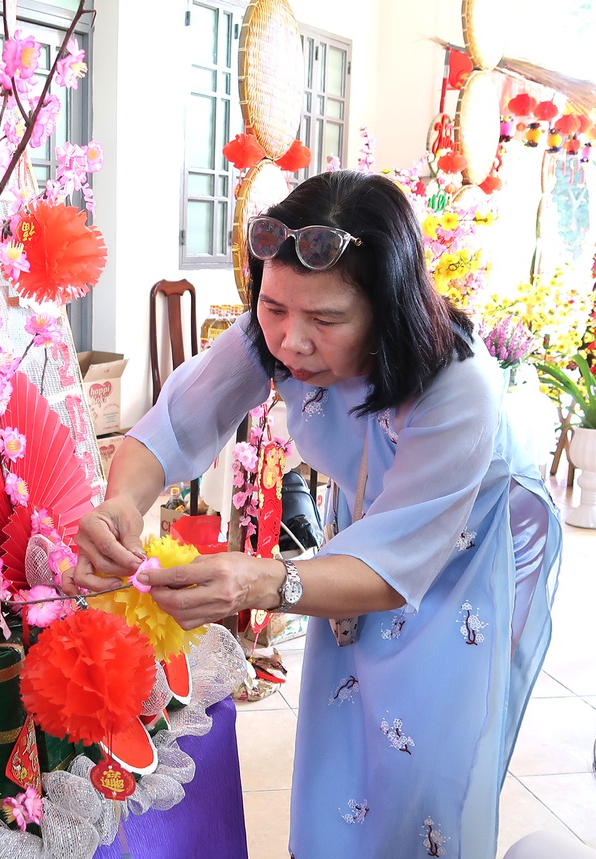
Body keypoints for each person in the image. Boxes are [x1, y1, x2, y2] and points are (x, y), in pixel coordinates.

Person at [67, 170, 562, 857]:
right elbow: (177, 424)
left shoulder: (458, 386)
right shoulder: (276, 329)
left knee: (424, 752)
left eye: (326, 320)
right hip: (364, 534)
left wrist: (261, 581)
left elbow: (391, 569)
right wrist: (122, 500)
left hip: (467, 549)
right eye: (273, 308)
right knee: (343, 727)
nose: (290, 342)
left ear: (387, 310)